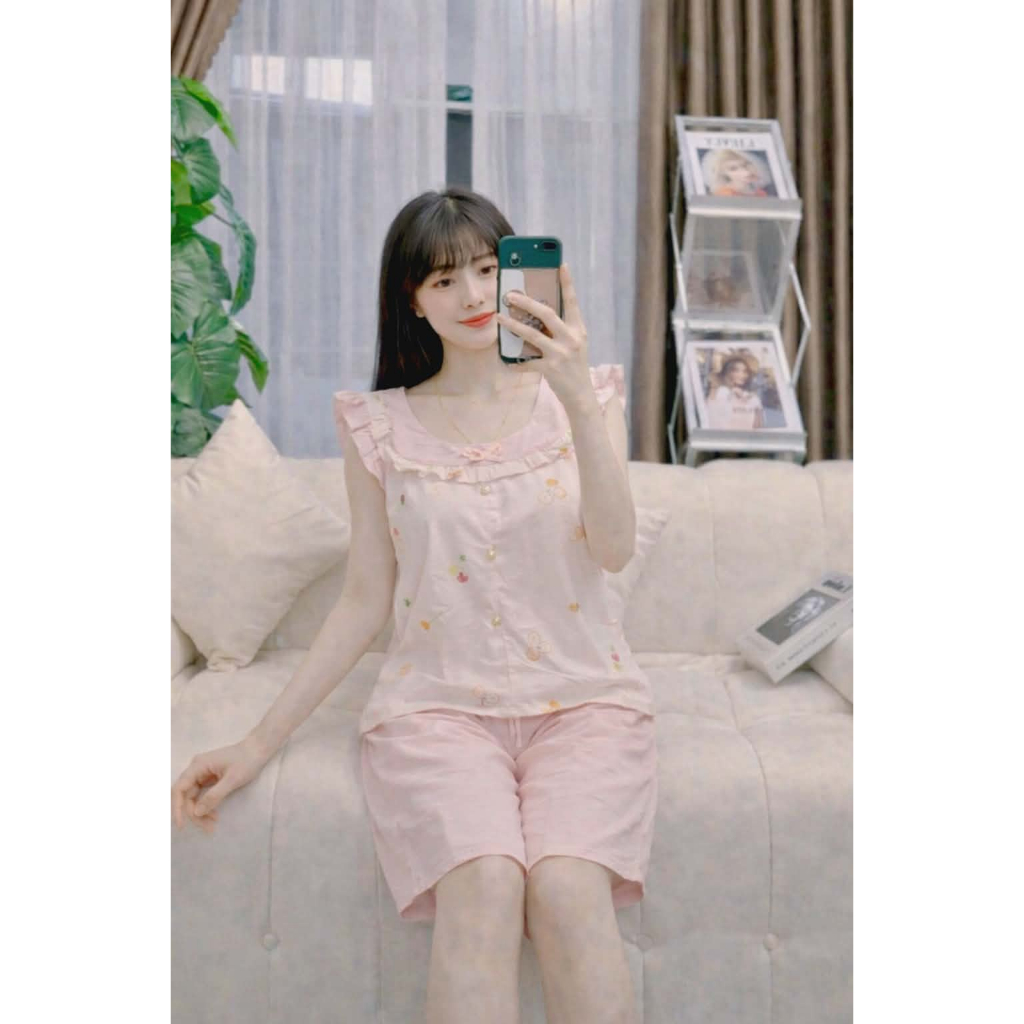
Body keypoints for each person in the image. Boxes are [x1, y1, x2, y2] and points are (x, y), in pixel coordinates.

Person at [171, 186, 657, 1024]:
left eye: (487, 269)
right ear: (413, 299)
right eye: (443, 280)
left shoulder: (589, 396)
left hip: (586, 703)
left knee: (568, 889)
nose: (472, 296)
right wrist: (256, 743)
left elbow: (612, 549)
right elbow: (365, 598)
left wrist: (576, 395)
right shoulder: (377, 425)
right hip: (437, 712)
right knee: (484, 883)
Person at [705, 354, 766, 430]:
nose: (742, 375)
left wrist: (756, 407)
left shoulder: (752, 398)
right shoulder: (719, 392)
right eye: (736, 371)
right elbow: (712, 419)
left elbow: (759, 427)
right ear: (727, 372)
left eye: (745, 371)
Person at [706, 148, 770, 197]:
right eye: (733, 169)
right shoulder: (725, 194)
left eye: (745, 165)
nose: (744, 171)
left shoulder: (759, 193)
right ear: (723, 173)